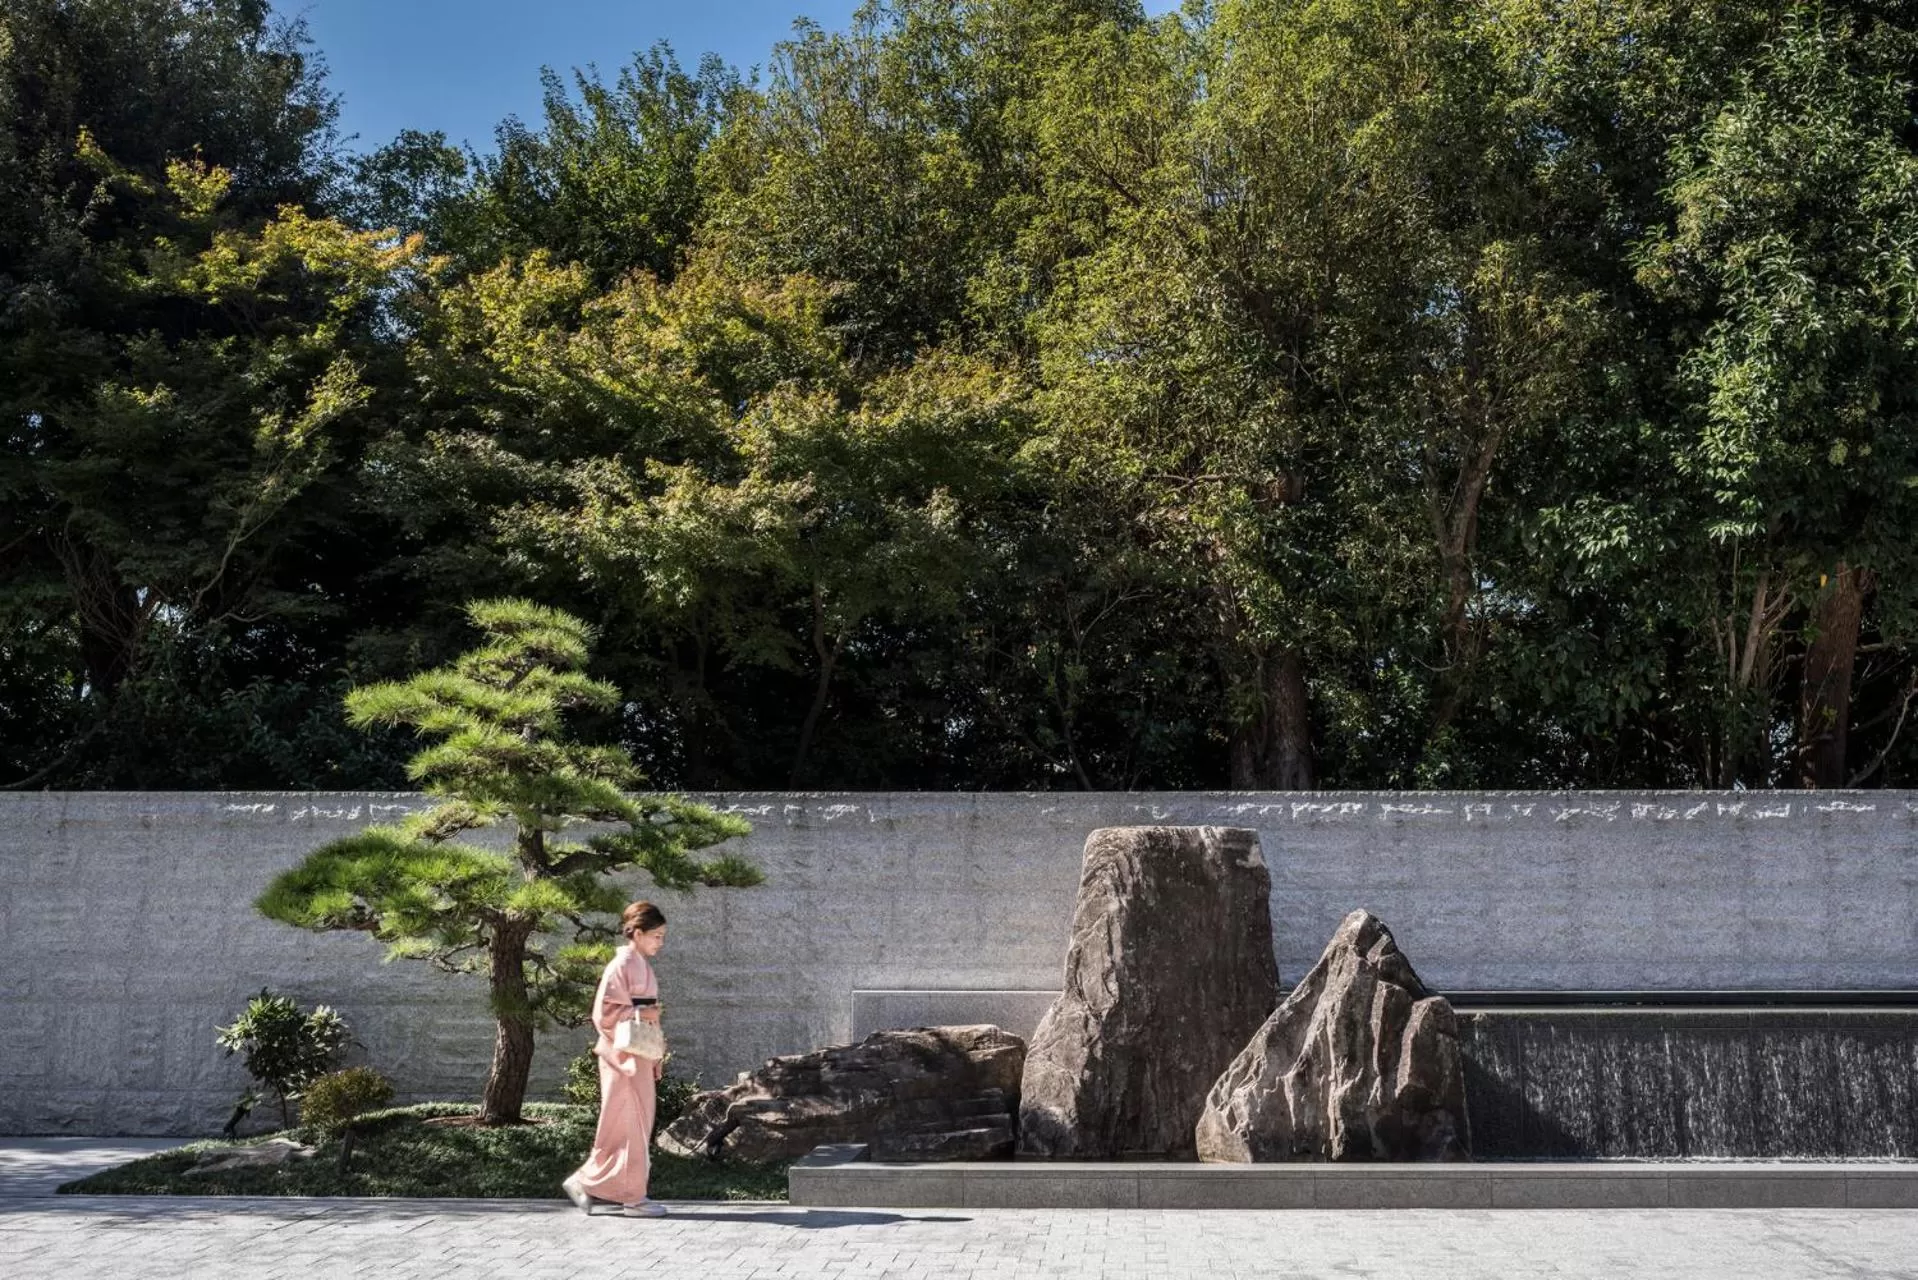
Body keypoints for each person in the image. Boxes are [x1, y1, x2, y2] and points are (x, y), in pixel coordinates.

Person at [563, 900, 669, 1217]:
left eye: (662, 937)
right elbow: (604, 1014)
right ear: (637, 933)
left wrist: (656, 1054)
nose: (660, 943)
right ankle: (632, 1198)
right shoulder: (621, 965)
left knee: (632, 1125)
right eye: (656, 936)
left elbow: (644, 1013)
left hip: (638, 1054)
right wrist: (644, 1013)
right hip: (621, 1056)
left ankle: (587, 1181)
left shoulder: (640, 965)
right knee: (626, 1124)